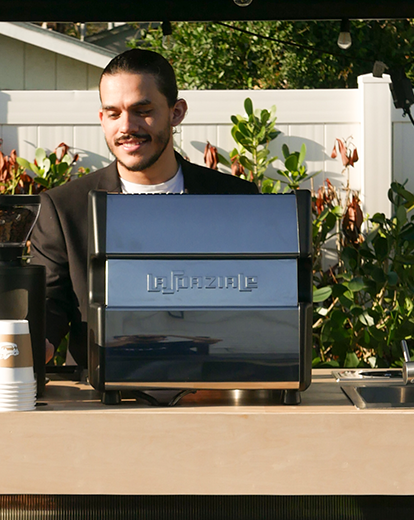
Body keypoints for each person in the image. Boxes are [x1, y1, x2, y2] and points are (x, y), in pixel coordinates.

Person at [29, 48, 259, 366]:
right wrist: (34, 344)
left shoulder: (238, 201)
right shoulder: (63, 207)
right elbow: (48, 301)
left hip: (212, 389)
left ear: (176, 112)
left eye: (142, 110)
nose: (127, 126)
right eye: (113, 113)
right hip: (100, 397)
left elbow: (259, 298)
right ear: (102, 118)